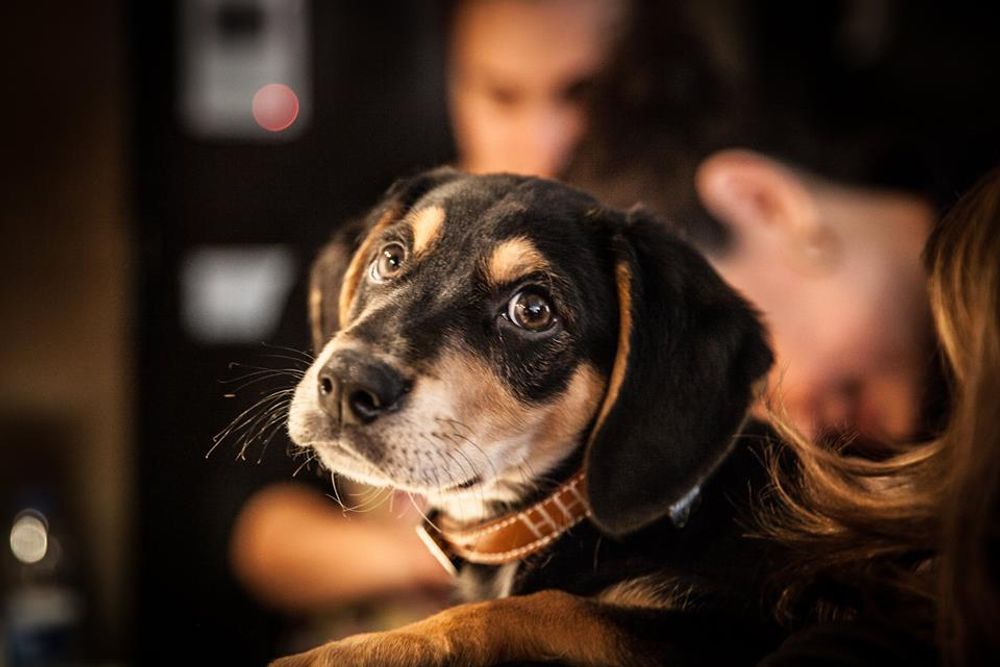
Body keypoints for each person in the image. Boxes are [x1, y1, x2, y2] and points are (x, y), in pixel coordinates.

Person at [229, 0, 624, 623]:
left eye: (583, 95)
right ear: (452, 80)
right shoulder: (379, 234)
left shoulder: (661, 276)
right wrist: (454, 556)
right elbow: (260, 537)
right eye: (501, 94)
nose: (545, 138)